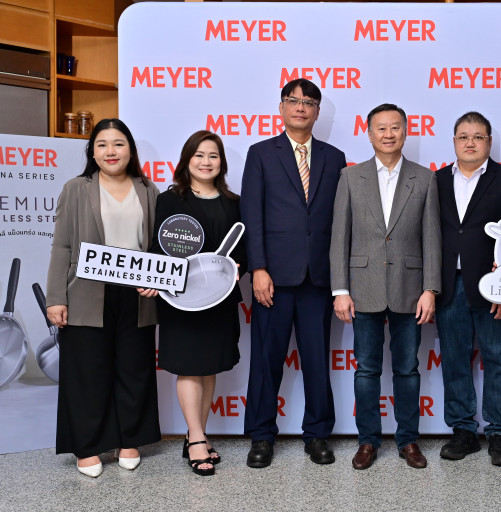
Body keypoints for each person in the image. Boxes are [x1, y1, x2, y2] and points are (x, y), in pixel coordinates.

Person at [46, 118, 161, 478]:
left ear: (131, 150)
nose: (111, 151)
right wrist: (55, 297)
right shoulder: (76, 188)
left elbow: (156, 245)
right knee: (87, 371)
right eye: (102, 144)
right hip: (85, 293)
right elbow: (62, 246)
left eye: (119, 144)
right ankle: (88, 446)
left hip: (137, 294)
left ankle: (130, 440)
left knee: (134, 368)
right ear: (92, 152)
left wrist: (157, 280)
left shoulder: (148, 189)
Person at [241, 78, 346, 468]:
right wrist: (258, 268)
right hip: (273, 277)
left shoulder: (334, 158)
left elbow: (339, 221)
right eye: (293, 100)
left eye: (309, 102)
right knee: (266, 360)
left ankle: (317, 434)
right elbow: (252, 214)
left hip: (318, 278)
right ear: (282, 108)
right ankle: (261, 435)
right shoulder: (261, 153)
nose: (301, 107)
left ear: (317, 112)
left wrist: (340, 280)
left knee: (317, 360)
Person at [330, 103, 441, 470]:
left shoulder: (424, 178)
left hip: (411, 289)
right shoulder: (351, 177)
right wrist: (340, 290)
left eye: (395, 127)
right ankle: (368, 441)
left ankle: (408, 440)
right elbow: (340, 237)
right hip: (362, 288)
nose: (389, 134)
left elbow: (432, 238)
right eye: (381, 128)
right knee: (366, 370)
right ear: (369, 133)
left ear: (405, 132)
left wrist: (430, 289)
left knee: (408, 370)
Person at [434, 112, 501, 467]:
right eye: (463, 136)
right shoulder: (436, 180)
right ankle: (463, 431)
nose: (470, 142)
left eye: (478, 136)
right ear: (454, 141)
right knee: (454, 359)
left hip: (493, 286)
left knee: (499, 359)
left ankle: (500, 433)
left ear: (489, 141)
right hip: (449, 284)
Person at [151, 130, 246, 476]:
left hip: (219, 299)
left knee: (208, 368)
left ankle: (198, 435)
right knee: (190, 366)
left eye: (213, 156)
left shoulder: (233, 202)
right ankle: (195, 439)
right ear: (187, 160)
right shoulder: (170, 200)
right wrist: (152, 278)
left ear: (221, 163)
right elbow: (158, 247)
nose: (206, 162)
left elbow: (243, 249)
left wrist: (239, 267)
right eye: (199, 155)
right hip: (181, 301)